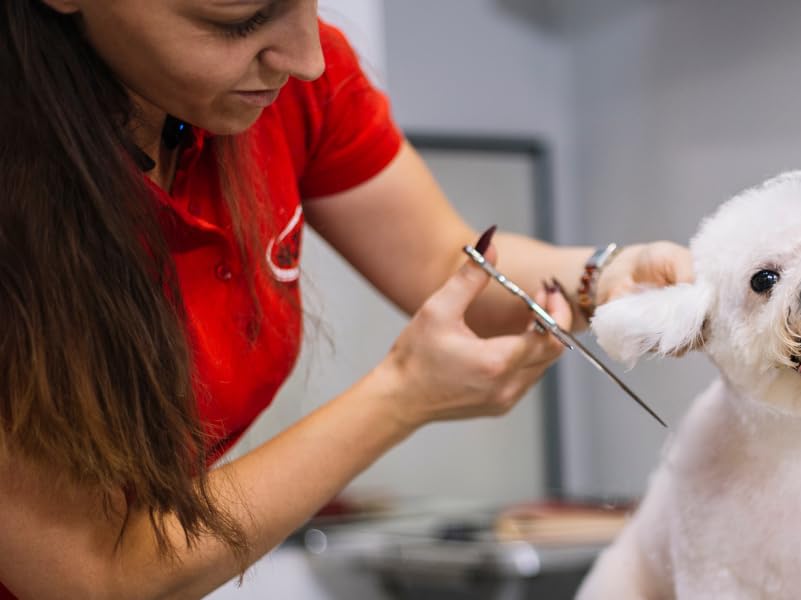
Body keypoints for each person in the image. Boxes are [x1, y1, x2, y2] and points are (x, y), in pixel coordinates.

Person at [0, 1, 692, 597]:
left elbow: (439, 260)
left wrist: (605, 275)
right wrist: (399, 396)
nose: (305, 57)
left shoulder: (291, 86)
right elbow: (97, 575)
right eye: (240, 19)